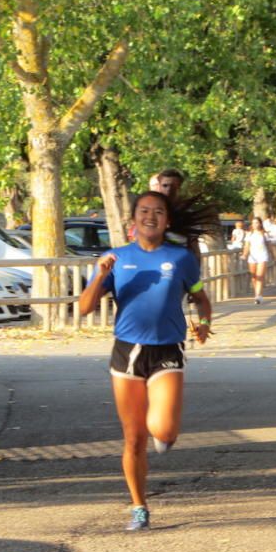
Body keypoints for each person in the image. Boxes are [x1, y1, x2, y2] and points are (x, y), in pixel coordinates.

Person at [78, 191, 213, 531]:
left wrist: (205, 324)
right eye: (143, 211)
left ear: (167, 221)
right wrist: (99, 275)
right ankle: (139, 506)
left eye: (158, 211)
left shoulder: (181, 258)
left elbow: (201, 299)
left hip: (167, 350)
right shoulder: (116, 258)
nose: (150, 216)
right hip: (127, 352)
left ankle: (164, 433)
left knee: (163, 429)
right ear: (132, 221)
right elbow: (83, 308)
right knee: (133, 438)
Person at [242, 216, 272, 305]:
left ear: (260, 224)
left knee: (260, 276)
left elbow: (269, 246)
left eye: (257, 223)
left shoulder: (264, 234)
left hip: (262, 256)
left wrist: (274, 256)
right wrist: (244, 255)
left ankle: (258, 295)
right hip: (252, 257)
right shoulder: (249, 234)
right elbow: (247, 246)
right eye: (253, 223)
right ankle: (257, 294)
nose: (255, 224)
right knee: (254, 277)